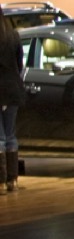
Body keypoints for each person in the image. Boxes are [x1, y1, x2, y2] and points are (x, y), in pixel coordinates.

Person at [0, 11, 25, 193]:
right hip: (13, 89)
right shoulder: (14, 35)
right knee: (10, 136)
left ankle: (0, 182)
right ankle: (13, 181)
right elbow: (19, 64)